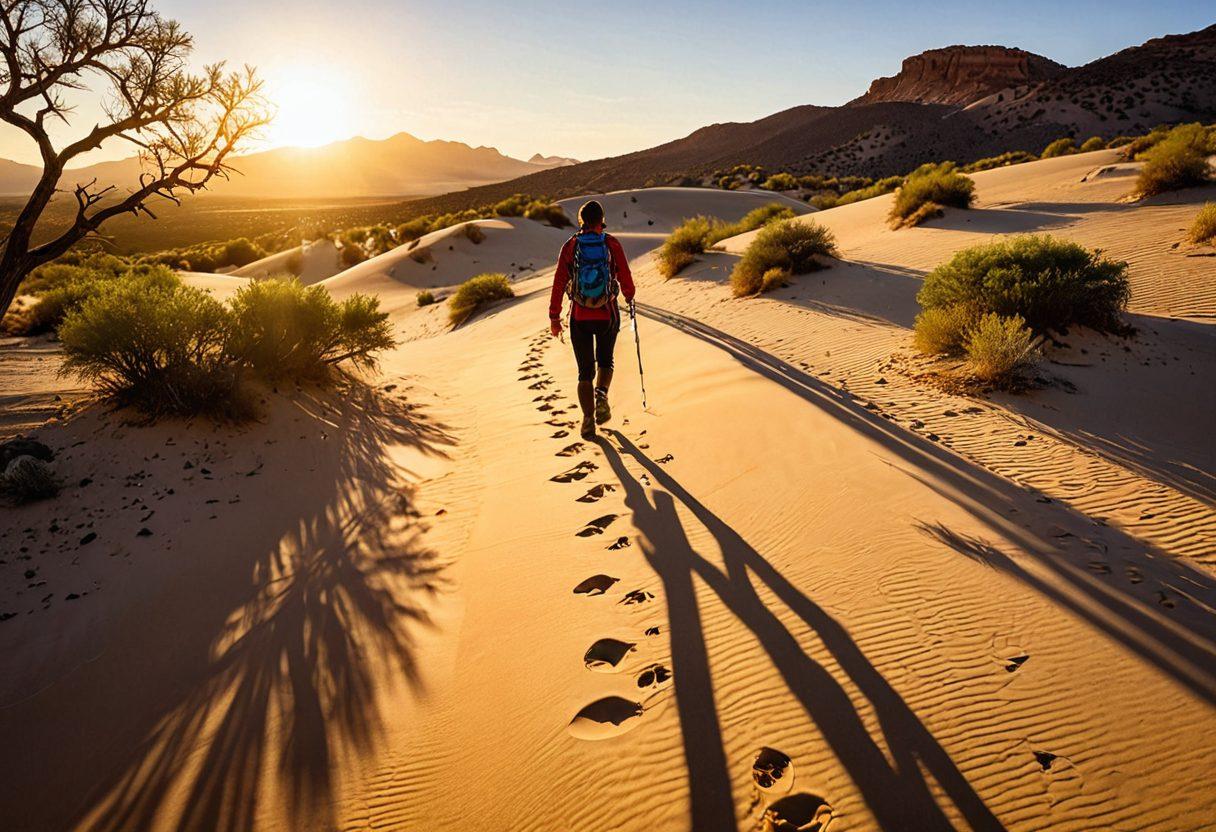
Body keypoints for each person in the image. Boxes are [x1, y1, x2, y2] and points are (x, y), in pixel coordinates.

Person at [549, 200, 635, 439]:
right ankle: (602, 395)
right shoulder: (611, 243)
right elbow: (625, 275)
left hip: (579, 315)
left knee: (584, 371)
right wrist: (629, 295)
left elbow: (558, 283)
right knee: (605, 360)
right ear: (601, 219)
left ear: (581, 220)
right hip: (607, 313)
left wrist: (554, 317)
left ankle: (588, 419)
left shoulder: (571, 245)